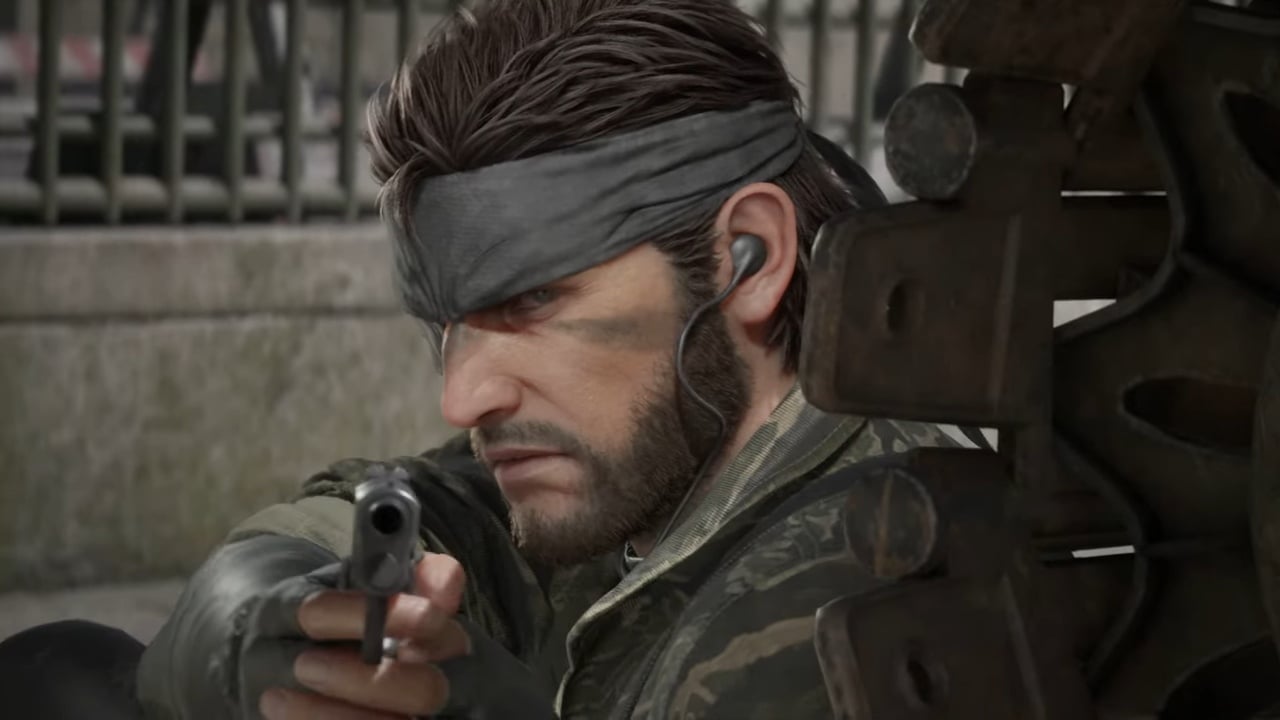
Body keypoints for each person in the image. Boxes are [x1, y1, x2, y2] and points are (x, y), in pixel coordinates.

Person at [0, 0, 962, 717]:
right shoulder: (638, 461)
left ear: (746, 259)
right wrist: (256, 614)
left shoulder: (864, 591)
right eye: (449, 325)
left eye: (533, 301)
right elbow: (409, 508)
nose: (463, 395)